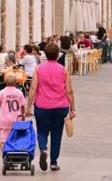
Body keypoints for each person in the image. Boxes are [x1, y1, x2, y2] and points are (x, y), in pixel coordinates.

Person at [25, 43, 76, 171]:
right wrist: (73, 108)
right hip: (60, 107)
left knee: (42, 131)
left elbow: (33, 88)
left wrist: (28, 107)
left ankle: (43, 149)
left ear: (46, 54)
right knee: (57, 134)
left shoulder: (39, 68)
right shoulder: (63, 69)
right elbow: (69, 90)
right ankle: (53, 162)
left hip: (42, 106)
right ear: (57, 55)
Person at [0, 72, 26, 151]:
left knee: (3, 140)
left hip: (5, 120)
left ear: (4, 81)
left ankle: (5, 155)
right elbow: (22, 106)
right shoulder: (19, 92)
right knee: (17, 138)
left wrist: (2, 106)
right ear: (16, 82)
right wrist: (23, 117)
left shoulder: (1, 93)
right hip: (17, 119)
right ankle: (15, 155)